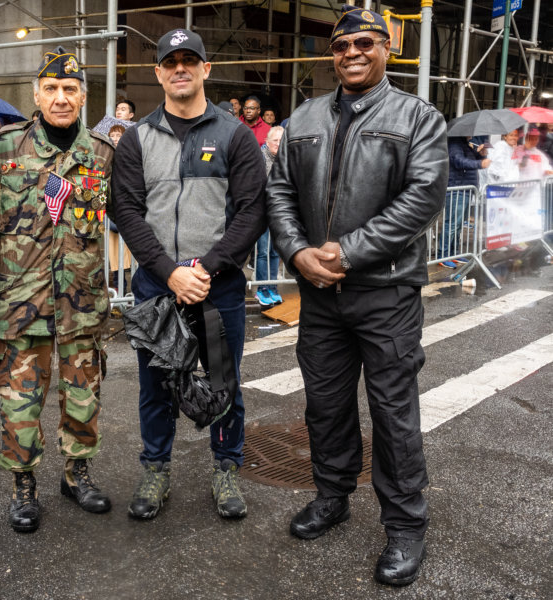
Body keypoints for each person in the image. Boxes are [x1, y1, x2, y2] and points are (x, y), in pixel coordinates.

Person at [267, 5, 447, 587]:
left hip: (385, 292)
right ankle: (332, 495)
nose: (352, 53)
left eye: (365, 43)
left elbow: (421, 198)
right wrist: (298, 253)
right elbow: (279, 192)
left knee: (393, 414)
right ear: (333, 53)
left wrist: (346, 252)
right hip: (320, 294)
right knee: (326, 404)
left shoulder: (418, 118)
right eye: (342, 45)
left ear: (387, 47)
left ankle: (405, 525)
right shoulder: (306, 116)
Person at [111, 29, 266, 521]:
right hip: (158, 289)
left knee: (225, 385)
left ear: (205, 69)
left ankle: (226, 469)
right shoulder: (137, 139)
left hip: (217, 290)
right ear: (158, 73)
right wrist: (169, 272)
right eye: (170, 61)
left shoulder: (234, 135)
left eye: (189, 60)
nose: (180, 68)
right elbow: (128, 212)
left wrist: (206, 267)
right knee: (155, 388)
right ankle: (156, 469)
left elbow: (251, 212)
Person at [0, 45, 115, 534]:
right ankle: (23, 484)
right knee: (20, 403)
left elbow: (133, 219)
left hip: (81, 303)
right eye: (52, 89)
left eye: (71, 90)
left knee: (83, 398)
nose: (61, 98)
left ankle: (77, 473)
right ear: (36, 94)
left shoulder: (102, 154)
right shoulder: (5, 148)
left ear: (83, 97)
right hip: (21, 304)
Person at [440, 137, 489, 266]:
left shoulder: (465, 144)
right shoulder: (455, 144)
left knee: (458, 225)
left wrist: (480, 154)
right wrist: (480, 163)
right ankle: (443, 256)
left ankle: (454, 253)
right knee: (451, 224)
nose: (471, 134)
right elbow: (459, 161)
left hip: (465, 189)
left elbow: (469, 161)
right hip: (457, 189)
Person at [254, 125, 284, 306]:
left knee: (275, 252)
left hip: (278, 212)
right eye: (275, 141)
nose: (278, 144)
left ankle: (273, 288)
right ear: (267, 141)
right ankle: (262, 289)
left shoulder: (285, 159)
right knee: (262, 252)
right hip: (263, 211)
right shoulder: (260, 157)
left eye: (282, 141)